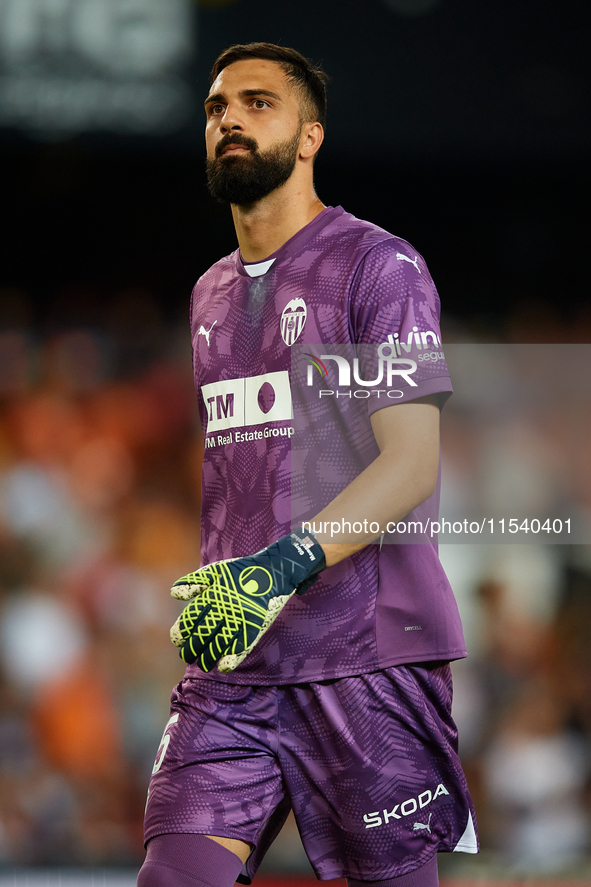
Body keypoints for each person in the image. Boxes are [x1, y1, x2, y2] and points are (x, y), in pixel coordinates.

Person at [138, 42, 478, 887]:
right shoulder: (208, 293)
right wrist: (235, 579)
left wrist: (276, 567)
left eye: (258, 104)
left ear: (310, 135)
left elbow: (408, 464)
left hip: (367, 664)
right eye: (218, 107)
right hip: (235, 671)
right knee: (174, 877)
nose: (231, 121)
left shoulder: (378, 266)